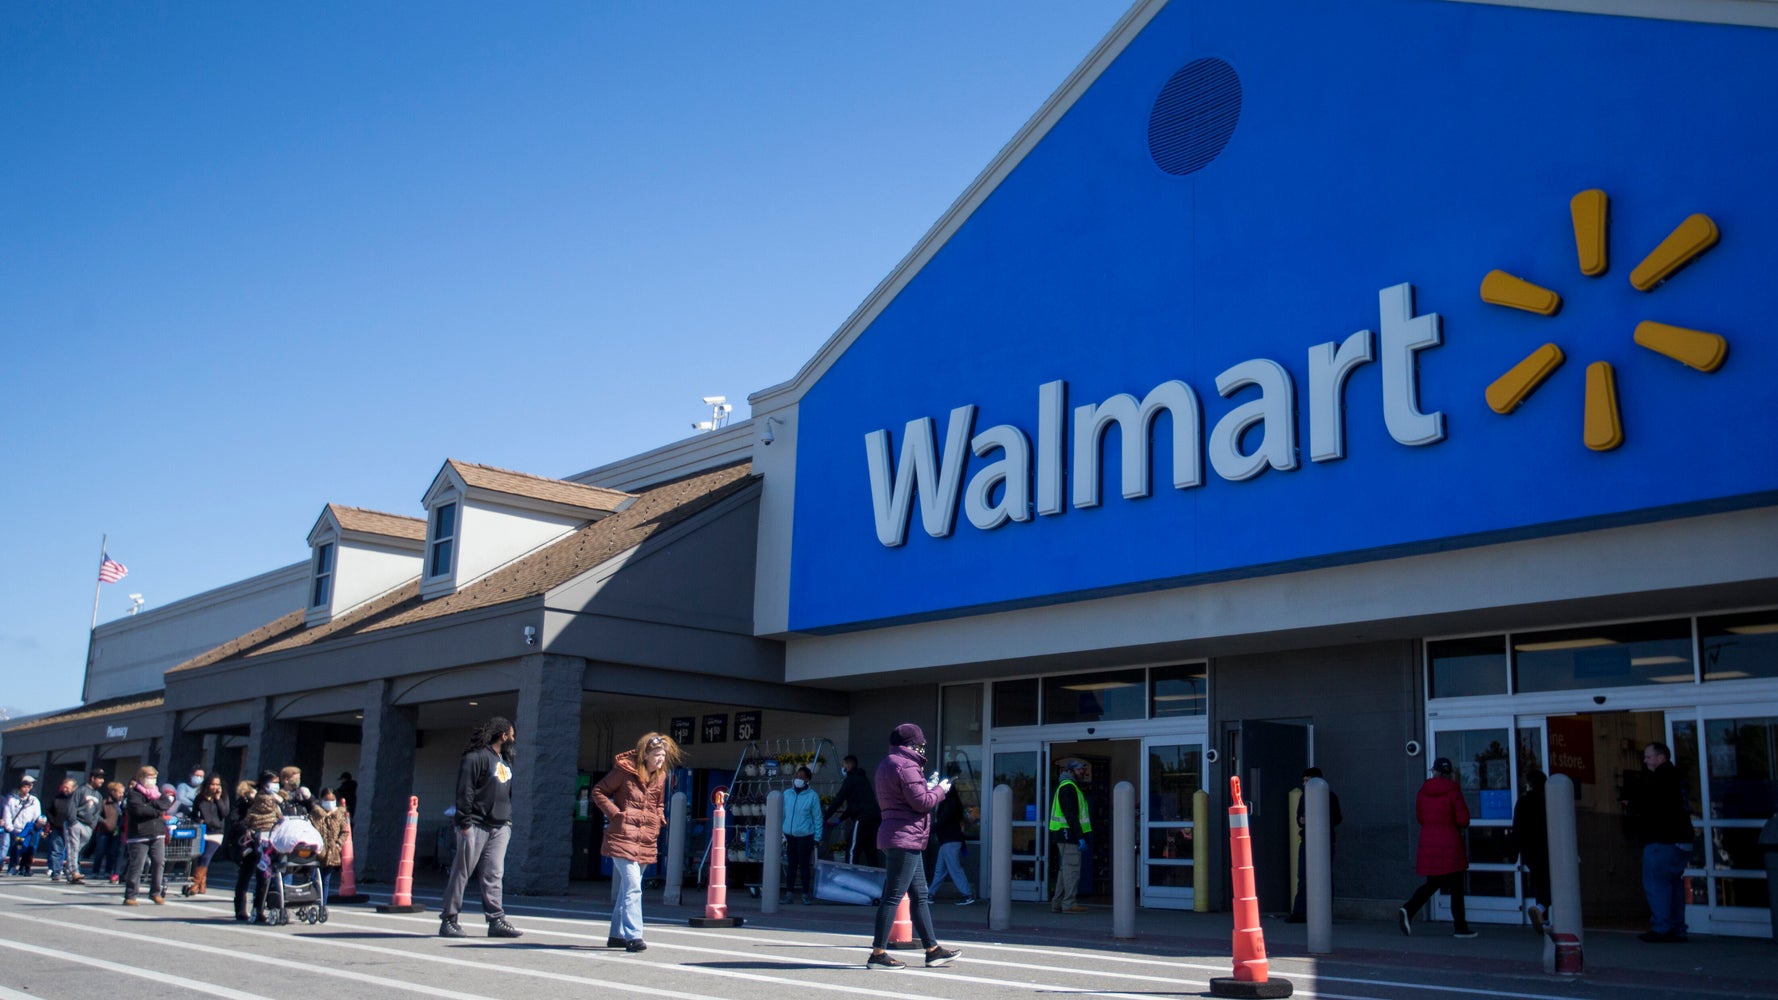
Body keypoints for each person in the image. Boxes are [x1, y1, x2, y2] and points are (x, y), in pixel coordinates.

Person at [864, 723, 960, 971]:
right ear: (911, 744)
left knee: (920, 895)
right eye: (919, 743)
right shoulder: (907, 765)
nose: (922, 747)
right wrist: (940, 790)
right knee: (893, 896)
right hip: (904, 837)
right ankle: (878, 953)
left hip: (899, 835)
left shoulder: (888, 763)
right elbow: (921, 803)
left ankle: (932, 949)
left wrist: (926, 787)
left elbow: (904, 797)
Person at [592, 732, 684, 951]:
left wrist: (659, 816)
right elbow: (599, 791)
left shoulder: (661, 777)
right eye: (657, 755)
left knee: (628, 888)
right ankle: (635, 936)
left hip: (645, 838)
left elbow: (659, 802)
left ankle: (616, 934)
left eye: (663, 755)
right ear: (646, 755)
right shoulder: (624, 771)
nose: (661, 759)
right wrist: (615, 813)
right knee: (633, 887)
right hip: (622, 836)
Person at [439, 716, 523, 940]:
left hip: (500, 826)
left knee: (494, 873)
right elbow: (464, 791)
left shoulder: (504, 760)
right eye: (511, 735)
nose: (513, 739)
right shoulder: (475, 757)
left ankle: (496, 919)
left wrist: (507, 821)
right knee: (461, 872)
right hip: (475, 824)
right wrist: (464, 823)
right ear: (503, 735)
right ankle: (449, 919)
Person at [1623, 742, 1694, 943]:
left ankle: (1662, 927)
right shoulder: (1677, 778)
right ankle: (1678, 928)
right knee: (1674, 884)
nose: (1644, 761)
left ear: (1661, 758)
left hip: (1662, 840)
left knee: (1657, 884)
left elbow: (1648, 803)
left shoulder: (1658, 779)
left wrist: (1631, 802)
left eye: (1648, 756)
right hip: (1682, 840)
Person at [1399, 757, 1476, 938]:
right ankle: (1460, 927)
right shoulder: (1453, 790)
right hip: (1450, 844)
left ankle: (1408, 909)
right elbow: (1463, 820)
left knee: (1433, 883)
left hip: (1429, 843)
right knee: (1456, 886)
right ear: (1449, 773)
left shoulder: (1423, 792)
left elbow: (1420, 818)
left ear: (1434, 771)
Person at [1288, 767, 1343, 922]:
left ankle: (1322, 913)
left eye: (1308, 780)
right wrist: (1301, 820)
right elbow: (1299, 817)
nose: (1305, 784)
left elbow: (1337, 818)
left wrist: (1317, 818)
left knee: (1323, 876)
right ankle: (1300, 912)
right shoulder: (1303, 797)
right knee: (1304, 875)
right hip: (1308, 839)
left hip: (1324, 840)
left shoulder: (1330, 797)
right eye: (1304, 781)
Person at [122, 765, 174, 905]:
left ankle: (155, 892)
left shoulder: (158, 793)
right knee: (137, 865)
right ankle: (131, 895)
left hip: (157, 833)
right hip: (139, 835)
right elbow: (138, 811)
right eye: (149, 777)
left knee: (159, 862)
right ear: (141, 778)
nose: (152, 780)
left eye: (154, 777)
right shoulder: (134, 793)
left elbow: (165, 804)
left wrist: (152, 808)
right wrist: (156, 810)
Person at [236, 770, 284, 922]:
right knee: (245, 875)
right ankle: (240, 909)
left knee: (263, 877)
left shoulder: (277, 802)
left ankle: (259, 909)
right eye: (273, 782)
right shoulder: (248, 799)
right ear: (264, 783)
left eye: (277, 783)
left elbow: (282, 819)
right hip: (251, 841)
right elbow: (237, 818)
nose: (275, 786)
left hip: (268, 843)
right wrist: (247, 830)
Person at [1049, 758, 1092, 914]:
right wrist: (1080, 836)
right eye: (1080, 769)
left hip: (1065, 834)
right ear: (1070, 771)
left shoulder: (1068, 786)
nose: (1083, 772)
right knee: (1072, 870)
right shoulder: (1068, 788)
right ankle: (1069, 904)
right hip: (1069, 835)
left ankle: (1058, 903)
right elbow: (1071, 815)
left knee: (1065, 870)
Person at [928, 763, 975, 905]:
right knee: (941, 869)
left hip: (949, 839)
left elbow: (943, 821)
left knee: (952, 869)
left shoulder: (948, 803)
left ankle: (967, 894)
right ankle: (930, 894)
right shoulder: (953, 802)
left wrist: (929, 830)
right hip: (950, 840)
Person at [1510, 768, 1549, 933]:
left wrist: (1514, 851)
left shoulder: (1523, 802)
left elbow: (1517, 828)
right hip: (1548, 848)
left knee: (1540, 881)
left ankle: (1544, 918)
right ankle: (1541, 909)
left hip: (1530, 849)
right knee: (1550, 882)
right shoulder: (1547, 801)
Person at [825, 755, 881, 867]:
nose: (842, 768)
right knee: (871, 851)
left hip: (862, 818)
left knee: (852, 849)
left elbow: (839, 799)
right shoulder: (863, 779)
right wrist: (838, 820)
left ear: (849, 765)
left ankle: (850, 878)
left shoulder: (851, 779)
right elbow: (853, 806)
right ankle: (875, 881)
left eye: (843, 765)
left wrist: (825, 816)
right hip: (874, 819)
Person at [781, 765, 822, 905]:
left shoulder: (812, 796)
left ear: (807, 780)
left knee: (804, 866)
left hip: (805, 836)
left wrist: (817, 837)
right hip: (789, 836)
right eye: (797, 776)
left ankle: (805, 894)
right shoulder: (787, 794)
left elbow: (817, 817)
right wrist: (781, 832)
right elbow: (783, 814)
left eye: (802, 777)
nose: (798, 779)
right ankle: (789, 894)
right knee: (791, 865)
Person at [184, 774, 229, 896]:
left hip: (217, 832)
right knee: (199, 857)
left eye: (217, 784)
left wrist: (218, 798)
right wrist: (198, 820)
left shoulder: (223, 796)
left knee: (206, 857)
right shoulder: (200, 798)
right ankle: (202, 884)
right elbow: (194, 813)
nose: (215, 787)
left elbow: (225, 813)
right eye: (213, 784)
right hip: (203, 830)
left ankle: (194, 885)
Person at [67, 769, 105, 885]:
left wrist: (92, 825)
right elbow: (72, 805)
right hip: (77, 822)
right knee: (74, 848)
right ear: (92, 778)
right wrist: (73, 821)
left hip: (88, 826)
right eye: (99, 778)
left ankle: (70, 872)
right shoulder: (81, 791)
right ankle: (74, 872)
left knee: (78, 849)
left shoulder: (98, 795)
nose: (102, 781)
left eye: (102, 778)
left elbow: (97, 812)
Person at [312, 786, 349, 899]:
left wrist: (338, 844)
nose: (329, 803)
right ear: (321, 799)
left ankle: (323, 904)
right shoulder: (315, 814)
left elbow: (344, 831)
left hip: (332, 852)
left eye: (332, 800)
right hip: (317, 851)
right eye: (326, 800)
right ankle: (314, 900)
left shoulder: (339, 815)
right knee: (314, 878)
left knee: (326, 879)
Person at [2, 775, 43, 876]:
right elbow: (7, 815)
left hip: (29, 829)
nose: (27, 789)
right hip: (15, 829)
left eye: (29, 786)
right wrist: (10, 828)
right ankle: (12, 867)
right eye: (25, 786)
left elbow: (36, 815)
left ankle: (25, 868)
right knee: (15, 848)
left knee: (28, 849)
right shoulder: (12, 799)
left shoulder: (34, 801)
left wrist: (37, 826)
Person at [93, 780, 125, 882]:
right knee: (100, 851)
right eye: (119, 792)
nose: (121, 795)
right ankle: (95, 871)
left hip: (115, 830)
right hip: (103, 830)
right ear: (113, 792)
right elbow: (96, 815)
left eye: (122, 793)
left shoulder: (121, 804)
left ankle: (108, 871)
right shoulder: (104, 803)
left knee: (112, 852)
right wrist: (105, 822)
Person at [45, 778, 75, 881]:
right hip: (57, 827)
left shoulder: (76, 799)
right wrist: (53, 822)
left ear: (74, 788)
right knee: (56, 850)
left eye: (68, 787)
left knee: (72, 852)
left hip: (72, 829)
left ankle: (72, 872)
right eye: (64, 787)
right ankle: (56, 872)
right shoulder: (56, 798)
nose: (65, 789)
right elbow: (48, 811)